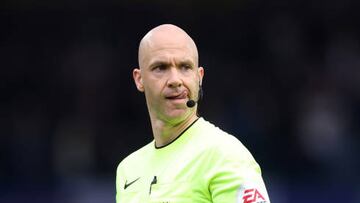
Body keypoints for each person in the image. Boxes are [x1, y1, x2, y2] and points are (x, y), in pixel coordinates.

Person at [116, 24, 270, 203]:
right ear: (139, 79)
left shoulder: (225, 155)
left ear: (199, 77)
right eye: (161, 67)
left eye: (185, 67)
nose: (175, 80)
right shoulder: (127, 170)